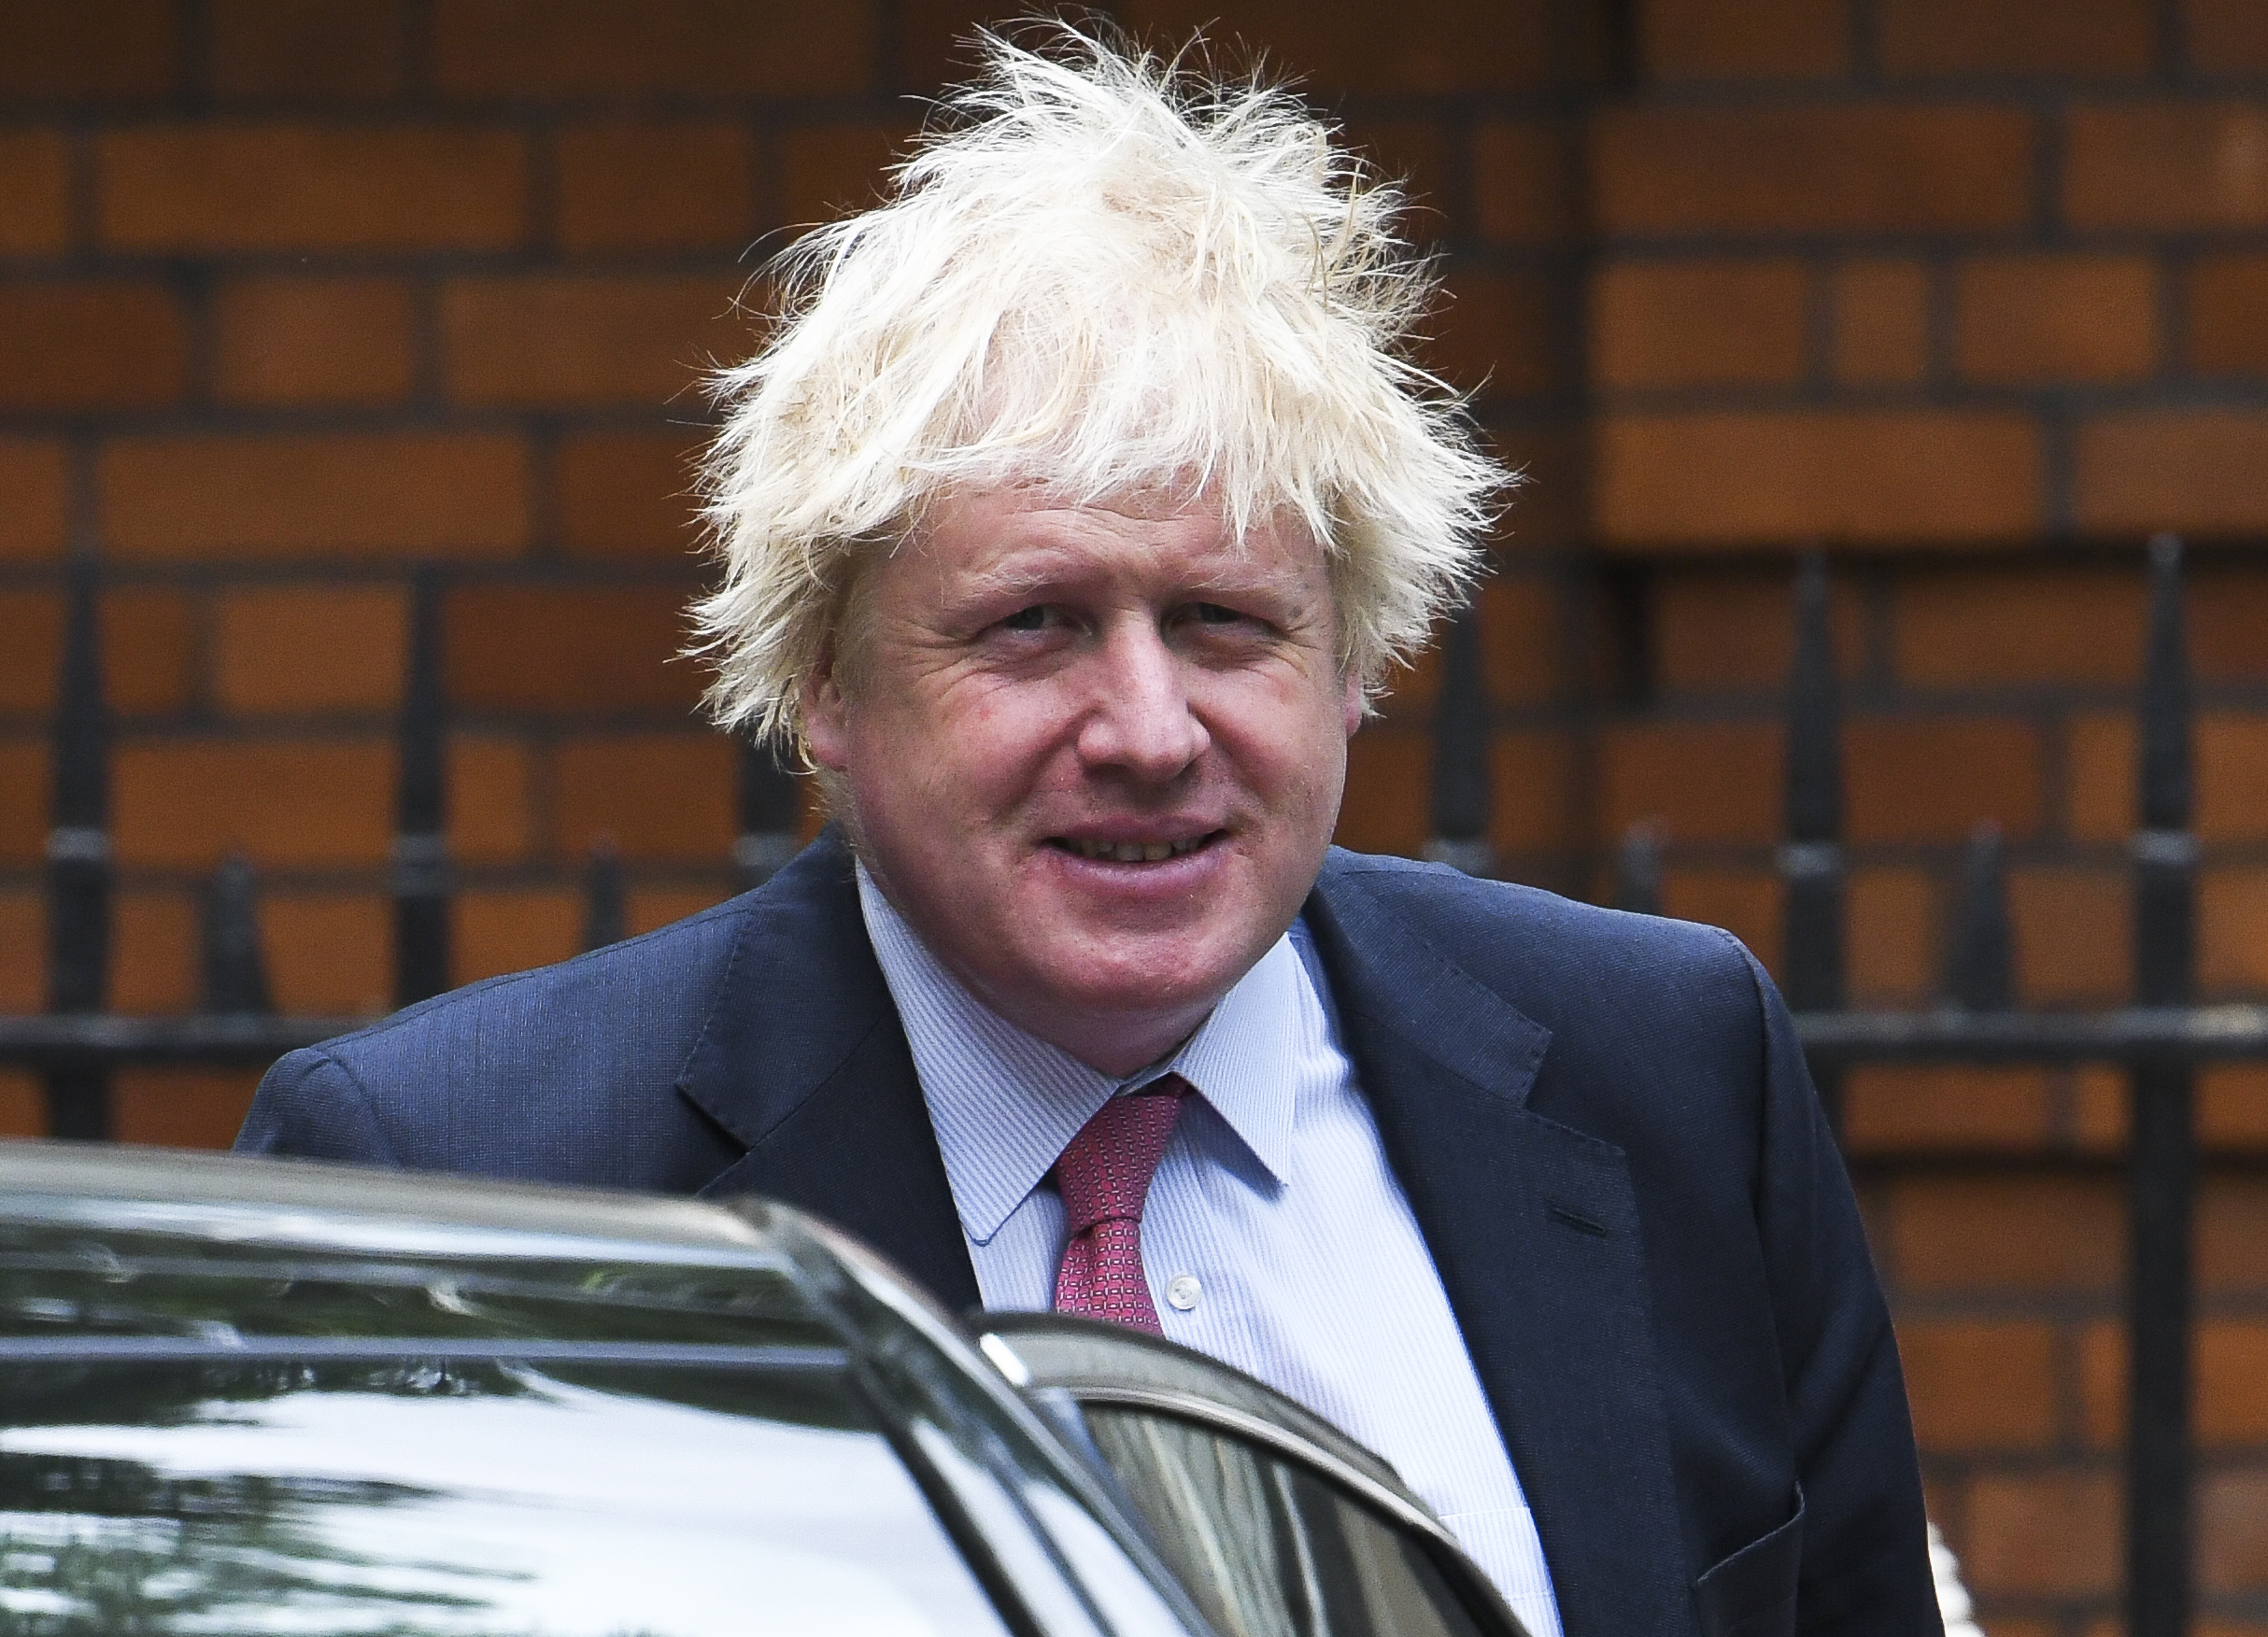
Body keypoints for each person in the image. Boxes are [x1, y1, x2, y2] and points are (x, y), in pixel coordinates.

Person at [239, 28, 1939, 1637]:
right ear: (827, 680)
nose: (1146, 731)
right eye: (1034, 624)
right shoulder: (464, 1194)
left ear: (1351, 657)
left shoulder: (1668, 1076)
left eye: (1222, 622)